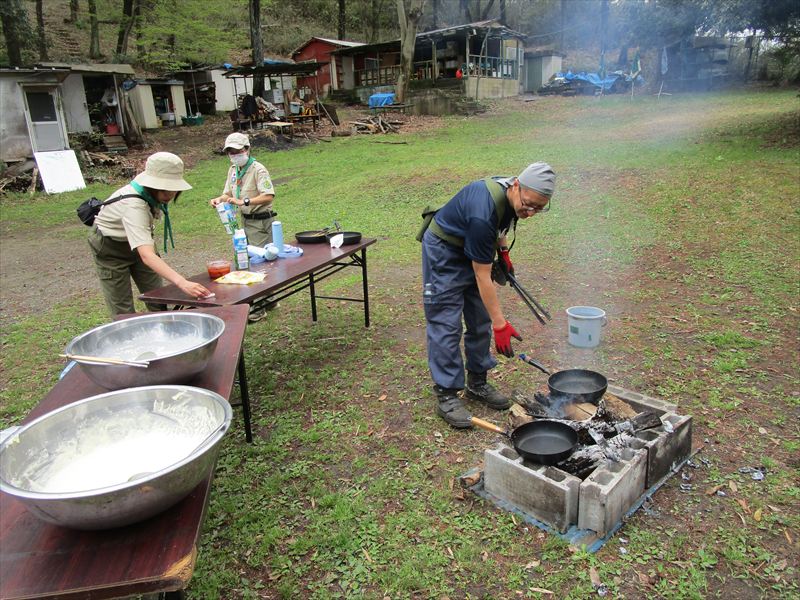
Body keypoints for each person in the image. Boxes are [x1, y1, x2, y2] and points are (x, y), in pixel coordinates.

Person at [421, 163, 556, 429]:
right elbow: (483, 276)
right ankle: (447, 394)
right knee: (446, 322)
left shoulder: (510, 195)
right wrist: (501, 324)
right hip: (445, 249)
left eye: (539, 208)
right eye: (529, 205)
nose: (530, 213)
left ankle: (477, 383)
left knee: (478, 316)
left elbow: (501, 226)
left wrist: (503, 252)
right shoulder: (483, 213)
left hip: (472, 243)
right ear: (516, 185)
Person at [89, 152, 211, 316]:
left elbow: (145, 253)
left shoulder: (147, 190)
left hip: (140, 242)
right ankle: (129, 338)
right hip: (111, 247)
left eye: (174, 189)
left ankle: (167, 336)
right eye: (165, 189)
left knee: (159, 299)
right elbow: (147, 256)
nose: (170, 195)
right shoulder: (134, 206)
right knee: (122, 310)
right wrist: (182, 282)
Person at [209, 132, 276, 248]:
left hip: (261, 222)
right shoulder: (233, 170)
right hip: (245, 222)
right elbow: (228, 194)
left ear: (247, 149)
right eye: (231, 152)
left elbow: (268, 196)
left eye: (238, 151)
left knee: (262, 260)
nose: (234, 155)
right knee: (246, 257)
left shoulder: (258, 169)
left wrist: (244, 201)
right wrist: (219, 199)